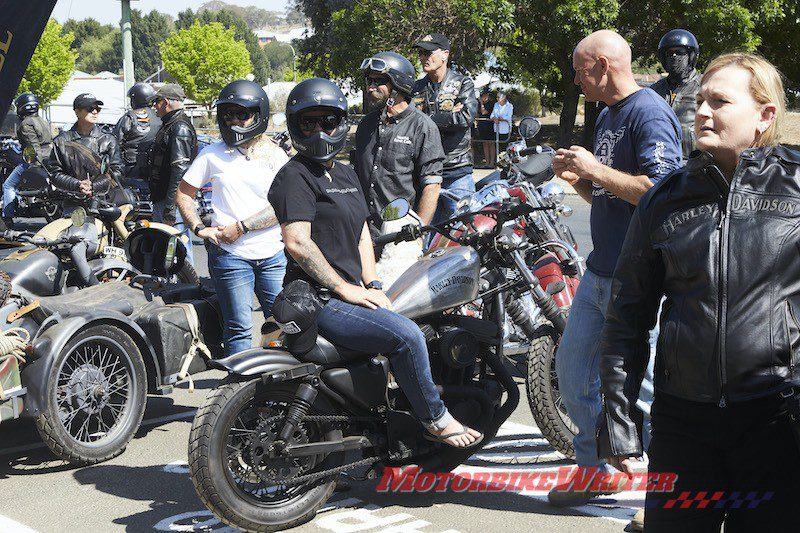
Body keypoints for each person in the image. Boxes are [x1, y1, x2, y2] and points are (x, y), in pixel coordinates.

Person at [599, 52, 799, 532]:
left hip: (778, 422)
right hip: (683, 424)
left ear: (765, 115)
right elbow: (627, 314)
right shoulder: (664, 198)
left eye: (720, 101)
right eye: (701, 100)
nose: (703, 112)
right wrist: (622, 428)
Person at [268, 77, 482, 447]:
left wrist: (373, 283)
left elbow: (362, 233)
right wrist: (346, 289)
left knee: (415, 318)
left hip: (350, 291)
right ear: (295, 124)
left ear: (340, 123)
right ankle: (435, 418)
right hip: (320, 299)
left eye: (328, 121)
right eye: (309, 122)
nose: (320, 130)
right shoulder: (294, 176)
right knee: (407, 335)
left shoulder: (346, 173)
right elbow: (297, 243)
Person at [546, 30, 682, 507]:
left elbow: (663, 194)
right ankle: (594, 469)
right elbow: (611, 195)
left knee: (639, 385)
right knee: (571, 369)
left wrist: (595, 169)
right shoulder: (607, 114)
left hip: (639, 275)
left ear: (602, 65)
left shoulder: (649, 111)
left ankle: (657, 491)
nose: (577, 81)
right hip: (601, 268)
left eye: (581, 71)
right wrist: (582, 179)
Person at [177, 80, 288, 357]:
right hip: (230, 256)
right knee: (238, 327)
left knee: (281, 325)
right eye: (228, 114)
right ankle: (238, 394)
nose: (235, 121)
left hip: (273, 254)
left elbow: (285, 201)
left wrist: (242, 227)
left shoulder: (275, 155)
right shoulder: (211, 155)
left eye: (242, 114)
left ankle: (278, 389)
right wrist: (199, 228)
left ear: (258, 115)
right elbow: (183, 194)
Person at [354, 51, 444, 286]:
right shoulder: (366, 125)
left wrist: (417, 235)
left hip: (399, 238)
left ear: (398, 85)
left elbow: (432, 186)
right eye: (369, 81)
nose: (371, 87)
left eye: (379, 81)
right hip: (364, 235)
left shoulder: (423, 127)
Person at [412, 33, 478, 224]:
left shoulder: (463, 83)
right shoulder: (416, 88)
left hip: (456, 170)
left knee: (463, 231)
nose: (423, 58)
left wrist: (427, 118)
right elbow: (411, 123)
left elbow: (465, 117)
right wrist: (448, 117)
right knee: (426, 235)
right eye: (421, 53)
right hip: (425, 173)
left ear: (445, 54)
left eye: (428, 52)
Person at [149, 83, 198, 265]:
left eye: (157, 102)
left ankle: (188, 289)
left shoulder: (179, 128)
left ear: (166, 102)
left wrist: (171, 207)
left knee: (179, 247)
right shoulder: (171, 125)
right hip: (165, 198)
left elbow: (180, 170)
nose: (154, 107)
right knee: (169, 247)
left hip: (171, 201)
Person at [46, 93, 123, 200]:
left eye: (97, 109)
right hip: (71, 200)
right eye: (90, 108)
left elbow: (118, 172)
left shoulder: (108, 140)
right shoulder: (61, 141)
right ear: (77, 112)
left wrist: (95, 186)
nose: (95, 112)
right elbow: (54, 174)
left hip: (104, 201)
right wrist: (77, 185)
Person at [651, 29, 701, 159]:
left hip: (693, 162)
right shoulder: (654, 91)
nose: (674, 57)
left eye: (680, 53)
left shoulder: (705, 87)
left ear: (691, 56)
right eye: (669, 53)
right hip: (660, 160)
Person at [3, 93, 52, 228]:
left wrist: (34, 165)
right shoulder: (43, 121)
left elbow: (33, 147)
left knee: (8, 185)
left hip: (37, 160)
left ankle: (7, 218)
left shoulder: (25, 124)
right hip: (49, 157)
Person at [114, 82, 161, 183]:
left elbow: (115, 142)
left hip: (131, 169)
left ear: (135, 99)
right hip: (155, 169)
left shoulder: (130, 117)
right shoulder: (160, 116)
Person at [490, 90, 513, 156]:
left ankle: (505, 163)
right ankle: (498, 163)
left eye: (499, 97)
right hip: (497, 130)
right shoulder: (496, 105)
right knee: (497, 147)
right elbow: (492, 115)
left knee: (504, 148)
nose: (497, 99)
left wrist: (502, 118)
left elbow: (509, 116)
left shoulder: (509, 106)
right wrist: (494, 118)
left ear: (504, 97)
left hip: (505, 130)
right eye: (497, 97)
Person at [476, 90, 496, 168]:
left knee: (491, 143)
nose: (484, 97)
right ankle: (487, 162)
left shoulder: (490, 104)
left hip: (489, 126)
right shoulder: (478, 104)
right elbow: (478, 113)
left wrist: (481, 104)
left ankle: (492, 162)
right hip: (482, 126)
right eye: (483, 96)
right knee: (485, 144)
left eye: (485, 96)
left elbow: (484, 112)